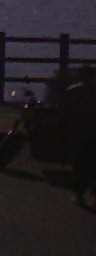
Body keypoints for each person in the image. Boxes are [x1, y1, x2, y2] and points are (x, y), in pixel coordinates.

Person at [61, 65, 96, 207]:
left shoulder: (73, 91)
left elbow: (65, 112)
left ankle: (79, 194)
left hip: (79, 132)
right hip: (93, 131)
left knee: (80, 165)